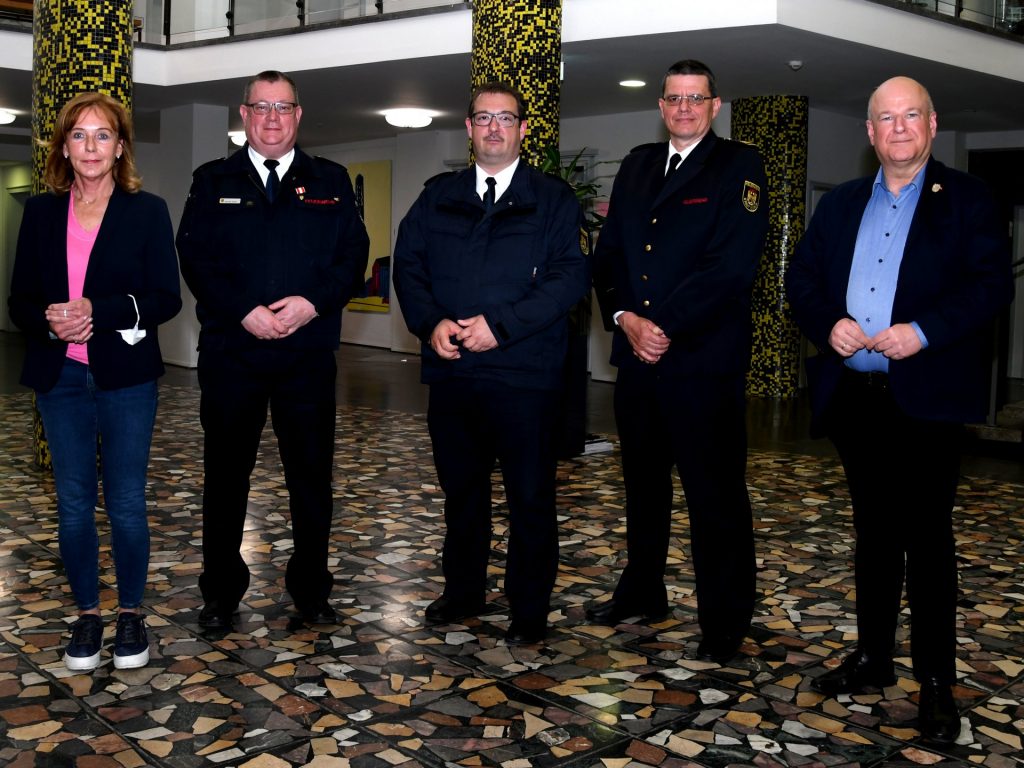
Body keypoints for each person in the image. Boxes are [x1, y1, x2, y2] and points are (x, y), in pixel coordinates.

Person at [786, 76, 1012, 744]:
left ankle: (938, 686)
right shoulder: (844, 204)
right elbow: (802, 279)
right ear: (870, 132)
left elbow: (991, 285)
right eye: (887, 118)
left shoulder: (968, 199)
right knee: (874, 537)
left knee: (929, 544)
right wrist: (828, 323)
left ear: (933, 124)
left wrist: (924, 330)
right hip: (857, 402)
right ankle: (873, 659)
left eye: (912, 115)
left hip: (928, 401)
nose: (900, 127)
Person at [392, 81, 589, 645]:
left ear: (524, 128)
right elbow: (409, 266)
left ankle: (529, 608)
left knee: (530, 498)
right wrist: (431, 323)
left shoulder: (553, 199)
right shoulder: (438, 196)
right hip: (454, 376)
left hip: (525, 379)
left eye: (506, 118)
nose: (494, 128)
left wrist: (497, 327)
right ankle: (464, 592)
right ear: (469, 128)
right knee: (463, 494)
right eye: (483, 118)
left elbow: (567, 279)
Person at [587, 59, 768, 664]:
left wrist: (662, 324)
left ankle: (725, 619)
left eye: (695, 99)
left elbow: (730, 266)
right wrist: (624, 318)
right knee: (641, 488)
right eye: (673, 99)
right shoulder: (638, 164)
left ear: (715, 105)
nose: (683, 108)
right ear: (660, 106)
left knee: (713, 496)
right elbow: (609, 254)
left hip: (701, 365)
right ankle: (643, 591)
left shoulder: (741, 166)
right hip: (638, 359)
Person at [176, 70, 369, 629]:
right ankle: (220, 592)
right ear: (244, 115)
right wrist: (243, 310)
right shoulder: (212, 180)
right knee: (225, 477)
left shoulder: (329, 180)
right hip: (232, 356)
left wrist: (313, 303)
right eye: (260, 108)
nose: (271, 118)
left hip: (306, 358)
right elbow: (195, 258)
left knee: (310, 479)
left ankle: (311, 590)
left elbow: (351, 261)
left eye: (282, 107)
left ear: (299, 115)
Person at [8, 92, 182, 671]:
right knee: (74, 504)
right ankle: (86, 615)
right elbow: (19, 304)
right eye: (79, 135)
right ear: (63, 146)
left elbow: (165, 299)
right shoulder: (38, 213)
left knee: (127, 501)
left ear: (121, 146)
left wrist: (97, 312)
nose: (90, 146)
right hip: (60, 379)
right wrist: (50, 319)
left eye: (102, 135)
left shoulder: (147, 210)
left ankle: (131, 614)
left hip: (126, 379)